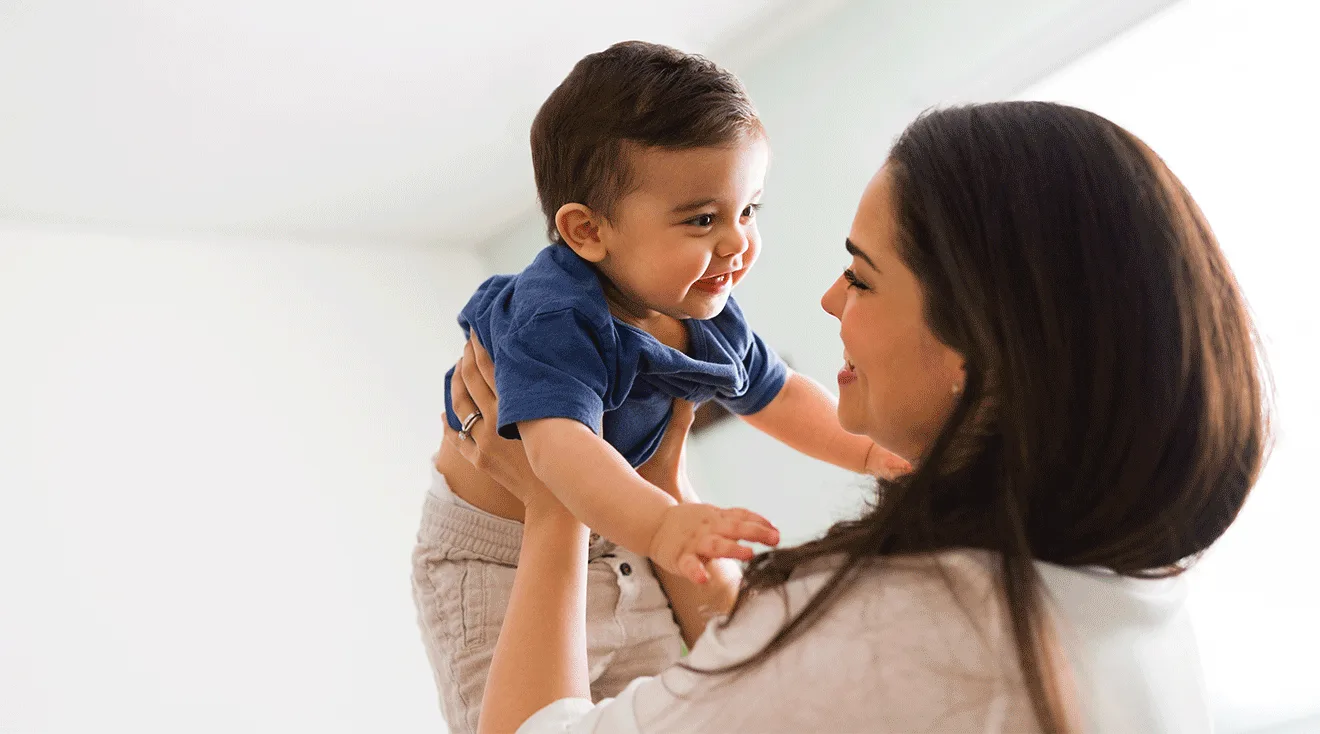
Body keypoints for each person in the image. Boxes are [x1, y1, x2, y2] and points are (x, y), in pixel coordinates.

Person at [443, 101, 1268, 733]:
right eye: (704, 217)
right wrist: (663, 487)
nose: (830, 298)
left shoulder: (909, 623)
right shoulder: (1131, 599)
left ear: (972, 348)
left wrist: (554, 513)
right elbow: (756, 686)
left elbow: (795, 665)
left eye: (863, 277)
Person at [414, 41, 904, 733]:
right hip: (499, 551)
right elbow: (556, 454)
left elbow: (777, 393)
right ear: (588, 231)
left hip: (622, 530)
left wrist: (864, 450)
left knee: (664, 703)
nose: (737, 244)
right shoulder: (555, 315)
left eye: (749, 210)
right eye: (704, 220)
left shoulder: (701, 303)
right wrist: (663, 522)